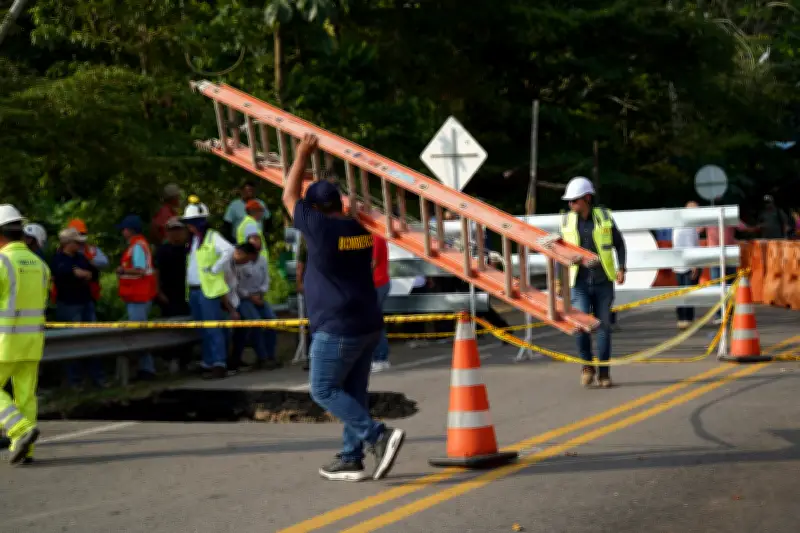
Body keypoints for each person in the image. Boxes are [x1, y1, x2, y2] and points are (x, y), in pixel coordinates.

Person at [283, 133, 405, 482]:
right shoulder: (360, 228)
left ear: (315, 209)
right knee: (353, 392)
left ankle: (378, 435)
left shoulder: (319, 229)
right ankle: (352, 457)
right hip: (367, 322)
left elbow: (289, 196)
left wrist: (301, 154)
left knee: (322, 389)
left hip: (337, 326)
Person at [558, 176, 626, 389]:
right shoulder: (567, 221)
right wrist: (559, 280)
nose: (571, 204)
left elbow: (619, 244)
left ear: (587, 198)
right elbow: (560, 252)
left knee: (603, 327)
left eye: (575, 200)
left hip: (603, 281)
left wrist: (622, 268)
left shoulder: (604, 217)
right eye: (569, 201)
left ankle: (604, 373)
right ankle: (587, 366)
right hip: (578, 283)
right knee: (580, 327)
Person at [0, 204, 50, 465]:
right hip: (32, 342)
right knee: (26, 397)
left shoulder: (2, 262)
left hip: (5, 341)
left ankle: (19, 430)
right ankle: (25, 450)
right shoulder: (40, 265)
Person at [182, 195, 234, 380]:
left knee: (213, 328)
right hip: (195, 290)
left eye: (192, 222)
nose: (189, 226)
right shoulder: (193, 241)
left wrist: (215, 268)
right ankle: (208, 362)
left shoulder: (212, 236)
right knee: (202, 329)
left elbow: (229, 250)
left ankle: (219, 363)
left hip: (208, 290)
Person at [53, 227, 105, 389]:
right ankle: (74, 380)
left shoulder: (81, 257)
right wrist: (75, 272)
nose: (80, 245)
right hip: (69, 305)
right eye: (77, 242)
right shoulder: (58, 259)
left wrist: (85, 273)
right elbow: (62, 273)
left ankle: (97, 377)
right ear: (68, 243)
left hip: (86, 302)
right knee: (72, 341)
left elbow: (93, 273)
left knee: (92, 339)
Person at [117, 215, 158, 381]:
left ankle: (147, 370)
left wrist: (122, 271)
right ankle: (145, 368)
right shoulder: (137, 245)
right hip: (136, 295)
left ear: (130, 230)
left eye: (124, 229)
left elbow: (140, 270)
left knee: (139, 333)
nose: (122, 232)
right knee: (139, 332)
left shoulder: (138, 246)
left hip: (139, 296)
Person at [672, 201, 700, 330]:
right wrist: (694, 264)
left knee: (681, 291)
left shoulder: (677, 225)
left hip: (678, 264)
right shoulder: (690, 227)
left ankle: (681, 318)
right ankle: (687, 319)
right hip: (689, 264)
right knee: (689, 293)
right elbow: (691, 246)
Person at [155, 217, 190, 318]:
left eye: (178, 229)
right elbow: (156, 272)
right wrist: (159, 292)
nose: (175, 233)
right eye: (172, 230)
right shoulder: (162, 251)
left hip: (189, 296)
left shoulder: (190, 249)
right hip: (168, 297)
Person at [371, 233, 391, 373]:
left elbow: (373, 262)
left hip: (377, 283)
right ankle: (378, 357)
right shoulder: (374, 235)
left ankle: (380, 357)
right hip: (376, 283)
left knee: (374, 322)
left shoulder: (375, 236)